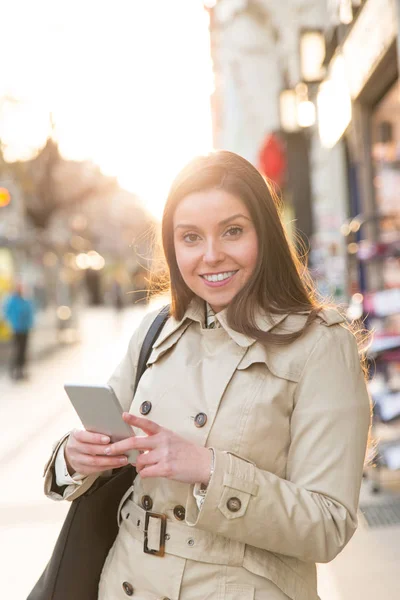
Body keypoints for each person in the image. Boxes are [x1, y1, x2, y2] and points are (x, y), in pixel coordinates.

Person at [44, 151, 371, 600]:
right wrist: (76, 457)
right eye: (191, 237)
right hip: (124, 583)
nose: (211, 255)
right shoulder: (157, 329)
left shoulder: (321, 345)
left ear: (266, 234)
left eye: (233, 231)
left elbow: (329, 525)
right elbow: (106, 439)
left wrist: (210, 470)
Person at [4, 282, 34, 380]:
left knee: (23, 350)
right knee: (17, 350)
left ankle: (22, 370)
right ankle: (14, 370)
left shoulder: (25, 300)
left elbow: (30, 312)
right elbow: (7, 312)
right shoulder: (13, 300)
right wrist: (12, 321)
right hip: (17, 329)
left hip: (25, 328)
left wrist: (30, 324)